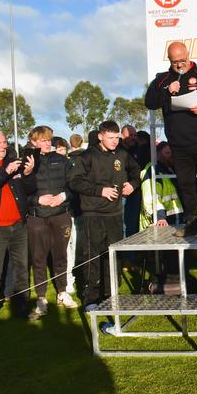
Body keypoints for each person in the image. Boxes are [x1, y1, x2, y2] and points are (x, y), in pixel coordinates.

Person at [145, 41, 197, 239]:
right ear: (170, 61)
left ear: (188, 56)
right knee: (186, 186)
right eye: (175, 62)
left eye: (182, 60)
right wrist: (166, 91)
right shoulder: (162, 80)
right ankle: (192, 225)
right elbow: (149, 102)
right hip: (178, 145)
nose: (180, 65)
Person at [68, 121, 140, 310]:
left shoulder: (123, 154)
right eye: (111, 137)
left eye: (117, 137)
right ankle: (91, 298)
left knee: (113, 255)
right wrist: (100, 191)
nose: (115, 141)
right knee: (93, 256)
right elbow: (75, 181)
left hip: (115, 213)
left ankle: (111, 294)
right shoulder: (87, 156)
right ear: (100, 136)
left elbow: (135, 171)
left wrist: (132, 184)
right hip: (93, 214)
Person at [0, 129, 36, 329]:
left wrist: (27, 173)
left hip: (18, 225)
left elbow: (28, 189)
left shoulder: (12, 160)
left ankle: (22, 306)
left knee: (21, 267)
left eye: (4, 141)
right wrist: (5, 172)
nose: (4, 145)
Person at [26, 126, 78, 319]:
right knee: (38, 258)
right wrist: (37, 200)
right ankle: (41, 298)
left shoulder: (62, 160)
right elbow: (21, 191)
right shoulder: (27, 161)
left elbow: (74, 185)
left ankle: (62, 293)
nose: (48, 143)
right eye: (43, 140)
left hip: (60, 214)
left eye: (49, 139)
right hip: (36, 217)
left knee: (60, 256)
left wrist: (63, 196)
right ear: (33, 141)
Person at [139, 141, 183, 231]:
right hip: (159, 222)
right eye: (167, 153)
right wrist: (160, 217)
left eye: (172, 153)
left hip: (173, 220)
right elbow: (150, 197)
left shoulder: (169, 169)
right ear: (158, 154)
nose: (171, 155)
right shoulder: (152, 171)